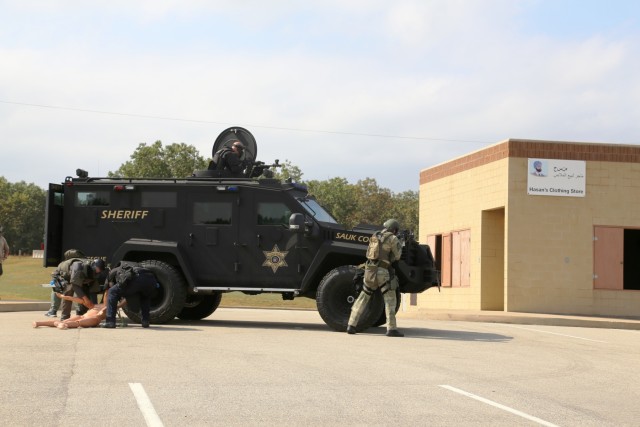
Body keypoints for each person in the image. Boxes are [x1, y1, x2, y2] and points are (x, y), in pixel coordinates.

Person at [347, 219, 404, 337]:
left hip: (369, 270)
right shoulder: (393, 238)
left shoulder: (375, 236)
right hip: (382, 271)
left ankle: (351, 325)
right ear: (394, 229)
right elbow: (397, 256)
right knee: (390, 299)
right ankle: (391, 329)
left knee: (363, 297)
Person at [33, 289, 125, 329]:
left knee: (77, 323)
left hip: (94, 320)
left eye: (107, 295)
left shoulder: (111, 307)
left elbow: (122, 303)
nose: (106, 296)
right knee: (71, 319)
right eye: (106, 295)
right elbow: (79, 300)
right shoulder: (96, 305)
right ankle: (39, 323)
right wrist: (63, 297)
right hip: (82, 316)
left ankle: (63, 325)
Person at [103, 262, 159, 329]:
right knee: (144, 297)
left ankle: (110, 322)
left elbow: (108, 290)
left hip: (136, 277)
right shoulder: (133, 264)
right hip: (150, 279)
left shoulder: (114, 270)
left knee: (112, 291)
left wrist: (108, 307)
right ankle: (145, 321)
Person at [55, 257, 106, 321]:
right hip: (66, 275)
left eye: (100, 270)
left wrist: (93, 306)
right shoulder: (78, 267)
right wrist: (86, 299)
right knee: (69, 291)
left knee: (85, 293)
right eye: (98, 269)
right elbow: (75, 285)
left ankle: (82, 313)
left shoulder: (95, 272)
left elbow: (93, 289)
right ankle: (65, 317)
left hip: (80, 278)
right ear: (94, 266)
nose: (99, 271)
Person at [45, 249, 87, 317]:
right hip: (82, 283)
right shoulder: (85, 262)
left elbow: (55, 275)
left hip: (69, 284)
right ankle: (79, 310)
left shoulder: (64, 263)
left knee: (56, 289)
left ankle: (53, 310)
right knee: (77, 290)